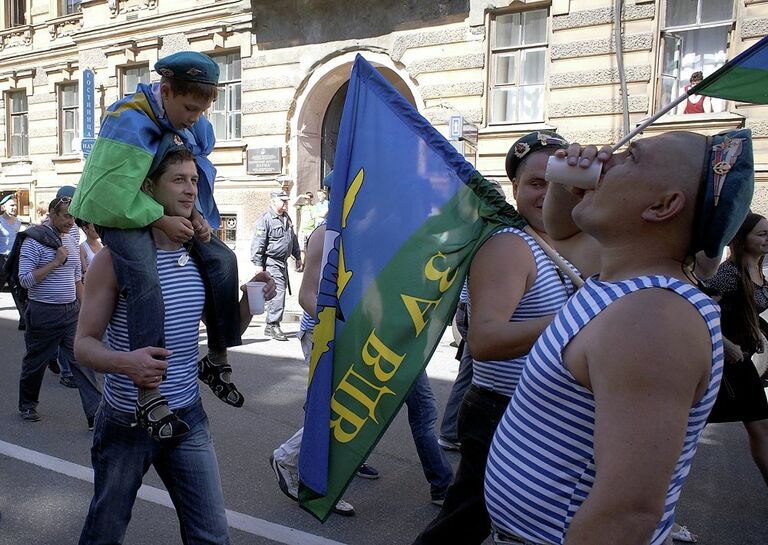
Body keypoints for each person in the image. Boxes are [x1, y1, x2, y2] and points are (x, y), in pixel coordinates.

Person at [483, 129, 753, 545]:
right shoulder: (620, 280)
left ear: (663, 206)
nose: (605, 159)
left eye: (632, 157)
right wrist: (564, 183)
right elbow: (559, 227)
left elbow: (626, 512)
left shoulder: (651, 318)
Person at [76, 137, 276, 545]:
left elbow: (222, 326)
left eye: (194, 180)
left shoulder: (200, 254)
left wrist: (249, 300)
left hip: (187, 414)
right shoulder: (115, 260)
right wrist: (126, 363)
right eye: (178, 180)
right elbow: (83, 344)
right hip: (128, 419)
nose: (190, 189)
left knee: (212, 535)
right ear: (149, 189)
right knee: (106, 531)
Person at [412, 131, 586, 545]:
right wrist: (576, 316)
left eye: (560, 182)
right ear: (516, 189)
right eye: (537, 183)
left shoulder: (576, 242)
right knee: (466, 520)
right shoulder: (510, 246)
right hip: (503, 410)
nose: (548, 194)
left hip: (552, 409)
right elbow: (485, 341)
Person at [69, 51, 245, 442]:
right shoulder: (126, 120)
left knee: (223, 260)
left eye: (201, 111)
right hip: (118, 213)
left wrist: (198, 217)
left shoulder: (180, 120)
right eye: (188, 108)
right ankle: (149, 394)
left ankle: (216, 357)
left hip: (156, 208)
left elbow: (184, 175)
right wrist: (162, 220)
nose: (194, 118)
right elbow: (110, 195)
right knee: (145, 277)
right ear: (165, 91)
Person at [17, 195, 102, 428]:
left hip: (71, 313)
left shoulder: (71, 238)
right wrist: (55, 262)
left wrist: (87, 309)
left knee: (81, 361)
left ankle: (95, 413)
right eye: (66, 216)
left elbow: (76, 278)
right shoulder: (34, 240)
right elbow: (24, 280)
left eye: (73, 216)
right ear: (52, 214)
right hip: (43, 312)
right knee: (36, 362)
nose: (71, 221)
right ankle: (27, 404)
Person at [706, 212, 768, 485]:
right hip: (723, 363)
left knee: (761, 426)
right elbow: (699, 311)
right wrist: (726, 343)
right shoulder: (728, 274)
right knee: (688, 428)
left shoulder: (757, 268)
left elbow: (749, 309)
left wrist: (757, 332)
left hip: (741, 359)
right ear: (743, 239)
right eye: (762, 234)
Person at [251, 190, 302, 341]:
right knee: (278, 292)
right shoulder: (265, 219)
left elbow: (292, 238)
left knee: (280, 291)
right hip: (271, 261)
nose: (286, 203)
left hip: (283, 263)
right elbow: (258, 243)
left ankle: (271, 324)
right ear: (273, 201)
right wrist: (258, 264)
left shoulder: (286, 218)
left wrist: (298, 256)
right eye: (283, 200)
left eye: (286, 200)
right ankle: (273, 324)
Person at [0, 194, 26, 329]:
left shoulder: (18, 222)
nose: (14, 208)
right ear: (3, 207)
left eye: (15, 205)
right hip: (1, 259)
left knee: (17, 289)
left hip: (14, 259)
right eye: (11, 205)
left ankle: (24, 320)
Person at [294, 191, 315, 270]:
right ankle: (302, 265)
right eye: (305, 198)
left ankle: (309, 266)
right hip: (303, 230)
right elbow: (293, 204)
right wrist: (300, 196)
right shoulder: (302, 207)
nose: (306, 199)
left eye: (308, 198)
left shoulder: (313, 207)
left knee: (310, 249)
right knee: (302, 249)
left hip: (311, 229)